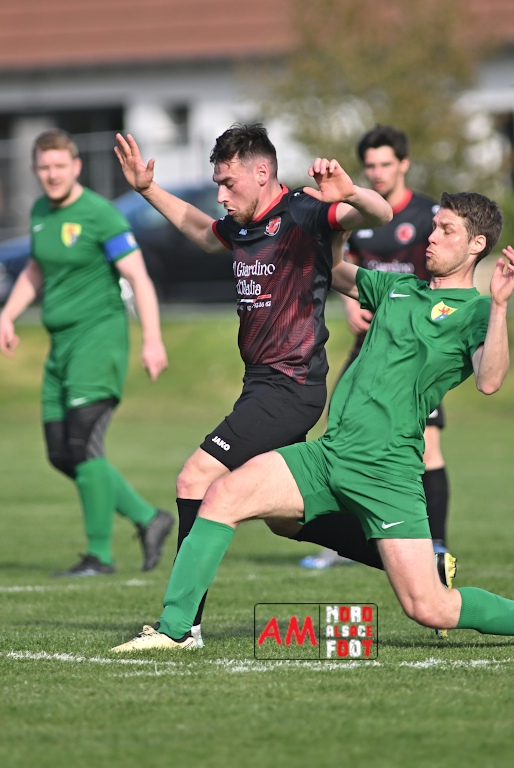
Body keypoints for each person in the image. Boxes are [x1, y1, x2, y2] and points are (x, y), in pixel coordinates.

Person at [111, 191, 514, 652]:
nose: (431, 236)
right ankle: (176, 631)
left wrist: (501, 309)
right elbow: (333, 270)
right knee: (223, 495)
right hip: (330, 453)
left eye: (446, 230)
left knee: (430, 608)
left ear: (476, 245)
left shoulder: (475, 312)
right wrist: (335, 216)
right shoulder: (397, 288)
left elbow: (490, 380)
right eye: (434, 226)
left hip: (388, 471)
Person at [113, 124, 393, 646]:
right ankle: (412, 559)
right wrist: (148, 189)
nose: (221, 195)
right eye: (217, 184)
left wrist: (351, 192)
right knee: (285, 518)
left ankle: (182, 628)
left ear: (262, 173)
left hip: (291, 385)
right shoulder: (241, 226)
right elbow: (202, 232)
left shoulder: (306, 212)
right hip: (261, 385)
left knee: (195, 478)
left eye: (228, 183)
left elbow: (380, 214)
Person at [0, 129, 174, 578]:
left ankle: (99, 556)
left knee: (83, 443)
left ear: (76, 167)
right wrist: (8, 315)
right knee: (61, 453)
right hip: (60, 349)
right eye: (44, 167)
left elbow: (139, 278)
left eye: (60, 165)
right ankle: (148, 517)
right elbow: (36, 268)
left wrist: (152, 339)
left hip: (98, 342)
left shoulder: (100, 214)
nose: (52, 174)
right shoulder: (40, 212)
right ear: (35, 170)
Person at [297, 125, 456, 572]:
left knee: (428, 445)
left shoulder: (428, 216)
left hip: (416, 349)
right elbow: (342, 268)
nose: (378, 172)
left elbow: (443, 278)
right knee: (342, 434)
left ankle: (436, 546)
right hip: (369, 344)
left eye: (386, 164)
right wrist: (350, 306)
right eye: (370, 166)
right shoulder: (358, 215)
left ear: (403, 164)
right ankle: (340, 543)